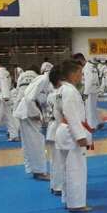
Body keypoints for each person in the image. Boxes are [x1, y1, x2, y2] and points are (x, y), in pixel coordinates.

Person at [55, 60, 93, 212]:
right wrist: (80, 136)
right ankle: (76, 204)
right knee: (76, 169)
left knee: (66, 168)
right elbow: (71, 115)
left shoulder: (61, 90)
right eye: (79, 73)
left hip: (63, 129)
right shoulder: (70, 91)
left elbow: (58, 113)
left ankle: (67, 199)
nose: (81, 76)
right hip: (71, 133)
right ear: (72, 74)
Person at [14, 64, 53, 180]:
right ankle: (40, 171)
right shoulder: (43, 80)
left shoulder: (43, 80)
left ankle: (34, 170)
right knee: (37, 142)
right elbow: (29, 98)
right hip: (29, 112)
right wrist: (36, 113)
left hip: (26, 111)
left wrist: (44, 117)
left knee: (30, 143)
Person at [45, 67, 64, 195]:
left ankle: (54, 185)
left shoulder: (50, 95)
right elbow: (61, 115)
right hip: (57, 127)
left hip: (51, 128)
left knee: (54, 160)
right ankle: (58, 187)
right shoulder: (59, 95)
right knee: (59, 160)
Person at [76, 53, 103, 131]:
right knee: (92, 107)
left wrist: (85, 93)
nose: (77, 63)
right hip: (93, 89)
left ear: (81, 59)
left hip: (90, 91)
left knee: (89, 109)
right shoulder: (91, 66)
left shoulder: (88, 67)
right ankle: (99, 122)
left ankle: (91, 126)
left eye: (78, 61)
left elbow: (89, 81)